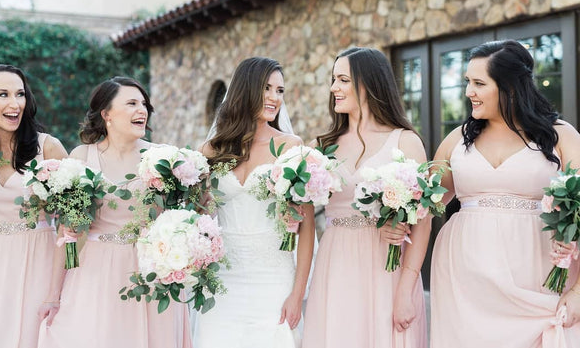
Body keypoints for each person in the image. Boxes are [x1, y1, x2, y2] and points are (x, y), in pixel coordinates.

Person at [430, 40, 580, 347]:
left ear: (510, 87)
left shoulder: (560, 135)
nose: (469, 91)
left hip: (537, 270)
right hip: (463, 277)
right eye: (467, 82)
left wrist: (578, 291)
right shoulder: (457, 140)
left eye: (479, 83)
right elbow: (423, 205)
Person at [37, 77, 192, 348]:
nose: (141, 110)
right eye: (131, 103)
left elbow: (181, 214)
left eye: (143, 104)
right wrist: (53, 294)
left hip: (149, 272)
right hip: (95, 272)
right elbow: (66, 234)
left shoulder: (162, 158)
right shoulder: (82, 157)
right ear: (106, 114)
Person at [302, 47, 429, 348]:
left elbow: (423, 223)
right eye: (334, 80)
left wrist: (406, 289)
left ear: (369, 83)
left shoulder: (406, 142)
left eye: (343, 80)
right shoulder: (320, 148)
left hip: (386, 266)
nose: (334, 88)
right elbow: (300, 214)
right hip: (336, 262)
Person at [194, 57, 315, 347]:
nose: (275, 98)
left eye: (280, 90)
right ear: (246, 90)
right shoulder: (211, 150)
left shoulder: (291, 146)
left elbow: (308, 227)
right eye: (268, 88)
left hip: (273, 277)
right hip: (222, 277)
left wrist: (297, 295)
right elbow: (198, 213)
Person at [0, 64, 68, 348]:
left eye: (20, 94)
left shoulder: (48, 148)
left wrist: (56, 291)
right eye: (3, 94)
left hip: (40, 260)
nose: (15, 103)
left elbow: (73, 221)